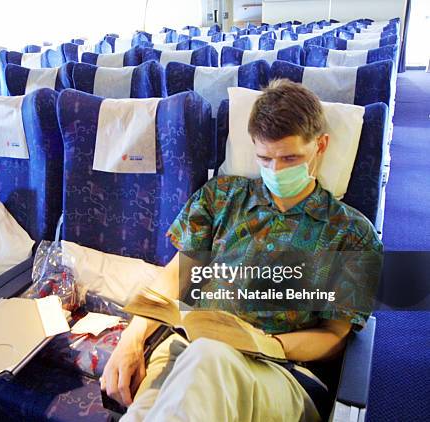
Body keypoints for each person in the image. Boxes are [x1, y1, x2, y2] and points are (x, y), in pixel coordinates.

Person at [100, 79, 383, 421]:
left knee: (208, 359)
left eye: (291, 158)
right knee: (145, 412)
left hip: (280, 372)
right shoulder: (220, 198)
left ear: (320, 146)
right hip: (185, 348)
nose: (276, 170)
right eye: (265, 158)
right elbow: (176, 278)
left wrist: (269, 343)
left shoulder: (351, 233)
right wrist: (133, 336)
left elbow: (335, 336)